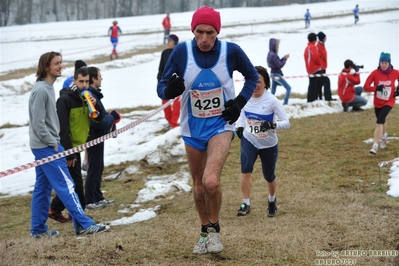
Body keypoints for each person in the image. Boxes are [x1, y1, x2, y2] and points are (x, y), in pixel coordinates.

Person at [157, 6, 258, 254]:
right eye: (199, 32)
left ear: (217, 32)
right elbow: (161, 86)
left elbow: (252, 77)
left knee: (211, 181)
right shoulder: (181, 52)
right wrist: (170, 90)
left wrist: (239, 103)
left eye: (210, 33)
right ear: (193, 31)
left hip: (221, 125)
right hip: (192, 128)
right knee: (199, 185)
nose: (204, 39)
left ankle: (215, 230)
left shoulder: (230, 51)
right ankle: (204, 231)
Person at [29, 51, 109, 238]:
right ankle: (83, 225)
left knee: (43, 188)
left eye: (61, 63)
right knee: (67, 185)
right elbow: (38, 123)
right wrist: (53, 143)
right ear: (46, 66)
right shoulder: (41, 90)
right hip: (46, 146)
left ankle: (38, 230)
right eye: (56, 63)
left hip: (44, 145)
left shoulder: (47, 87)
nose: (60, 66)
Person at [49, 67, 104, 222]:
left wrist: (95, 105)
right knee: (76, 183)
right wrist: (69, 153)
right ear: (74, 80)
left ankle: (57, 209)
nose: (85, 85)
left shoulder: (85, 98)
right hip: (66, 148)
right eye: (81, 81)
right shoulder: (65, 100)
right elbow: (63, 129)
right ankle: (78, 216)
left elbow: (99, 118)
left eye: (87, 81)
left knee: (72, 182)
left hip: (78, 147)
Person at [235, 66, 290, 217]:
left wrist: (272, 125)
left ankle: (272, 200)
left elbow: (287, 122)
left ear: (266, 83)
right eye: (252, 82)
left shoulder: (272, 101)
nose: (255, 85)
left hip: (268, 144)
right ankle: (245, 203)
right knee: (245, 171)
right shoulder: (245, 97)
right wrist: (240, 126)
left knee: (269, 175)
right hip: (249, 140)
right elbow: (242, 113)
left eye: (259, 81)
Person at [85, 66, 120, 209]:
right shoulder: (89, 96)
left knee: (99, 167)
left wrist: (109, 120)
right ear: (94, 79)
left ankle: (98, 196)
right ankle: (90, 200)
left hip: (99, 137)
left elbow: (102, 116)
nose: (102, 78)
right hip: (93, 137)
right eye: (100, 76)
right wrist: (112, 118)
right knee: (94, 168)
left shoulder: (95, 95)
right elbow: (96, 121)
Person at [363, 52, 399, 155]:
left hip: (389, 101)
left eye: (385, 63)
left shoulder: (395, 73)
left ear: (389, 63)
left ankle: (375, 146)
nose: (383, 65)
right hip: (378, 102)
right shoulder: (375, 73)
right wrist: (376, 88)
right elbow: (366, 86)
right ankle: (383, 136)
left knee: (379, 121)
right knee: (382, 121)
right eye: (382, 62)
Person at [157, 34, 181, 128]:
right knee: (165, 103)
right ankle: (169, 120)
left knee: (177, 104)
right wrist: (159, 81)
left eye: (169, 41)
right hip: (165, 83)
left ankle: (174, 123)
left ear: (174, 42)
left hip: (176, 83)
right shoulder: (165, 52)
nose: (167, 42)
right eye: (167, 40)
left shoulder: (179, 52)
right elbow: (161, 68)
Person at [267, 38, 291, 105]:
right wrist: (285, 59)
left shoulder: (270, 53)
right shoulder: (273, 55)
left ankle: (269, 103)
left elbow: (275, 63)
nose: (278, 46)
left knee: (273, 92)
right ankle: (285, 103)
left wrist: (283, 58)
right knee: (288, 88)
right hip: (276, 74)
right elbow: (280, 65)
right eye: (277, 45)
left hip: (272, 73)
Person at [316, 32, 335, 101]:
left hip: (323, 66)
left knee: (320, 82)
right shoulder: (318, 46)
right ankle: (325, 96)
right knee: (322, 82)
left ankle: (320, 96)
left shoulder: (322, 45)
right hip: (320, 67)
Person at [304, 33, 323, 103]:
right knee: (318, 84)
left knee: (312, 85)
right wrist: (320, 64)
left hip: (309, 69)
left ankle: (311, 99)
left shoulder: (307, 48)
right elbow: (316, 57)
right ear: (314, 40)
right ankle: (315, 98)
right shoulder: (312, 47)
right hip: (315, 69)